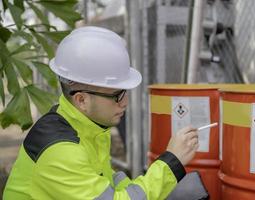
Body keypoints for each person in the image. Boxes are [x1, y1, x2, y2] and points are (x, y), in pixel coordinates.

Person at [3, 26, 199, 200]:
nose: (125, 102)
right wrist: (171, 162)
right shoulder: (61, 151)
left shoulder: (86, 127)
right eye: (117, 95)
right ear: (82, 100)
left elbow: (108, 186)